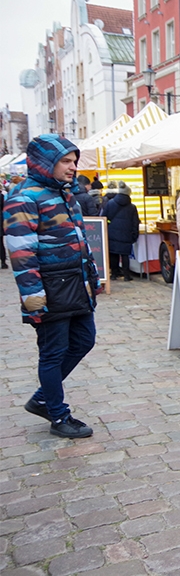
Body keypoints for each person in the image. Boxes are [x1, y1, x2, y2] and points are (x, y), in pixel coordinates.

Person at [3, 134, 100, 439]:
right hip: (49, 287)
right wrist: (33, 297)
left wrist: (92, 275)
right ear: (46, 162)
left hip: (74, 283)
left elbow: (81, 241)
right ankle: (58, 416)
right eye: (66, 161)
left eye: (74, 161)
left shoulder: (65, 193)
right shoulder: (24, 196)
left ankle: (43, 397)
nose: (73, 167)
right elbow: (21, 251)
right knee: (53, 352)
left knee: (84, 339)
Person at [104, 182, 140, 281]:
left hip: (112, 233)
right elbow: (135, 222)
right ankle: (126, 275)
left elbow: (104, 218)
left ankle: (114, 274)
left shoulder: (110, 203)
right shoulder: (132, 207)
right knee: (125, 255)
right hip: (126, 234)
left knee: (114, 254)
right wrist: (135, 235)